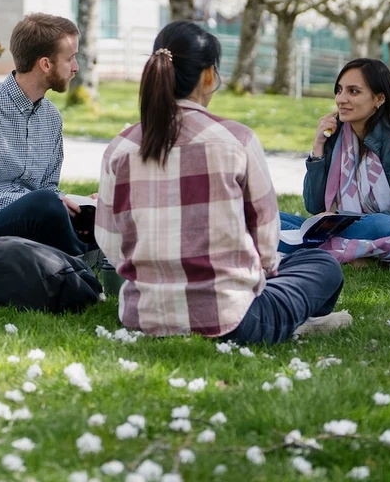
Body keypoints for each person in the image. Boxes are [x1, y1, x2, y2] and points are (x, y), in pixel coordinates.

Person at [96, 21, 350, 343]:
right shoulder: (236, 140)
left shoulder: (119, 148)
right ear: (207, 76)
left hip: (144, 317)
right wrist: (258, 273)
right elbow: (266, 244)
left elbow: (109, 241)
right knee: (322, 265)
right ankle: (295, 323)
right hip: (233, 320)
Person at [282, 59, 390, 270]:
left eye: (353, 91)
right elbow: (314, 206)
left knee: (381, 224)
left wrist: (339, 219)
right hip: (339, 230)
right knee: (270, 219)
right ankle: (347, 253)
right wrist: (318, 147)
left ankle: (300, 247)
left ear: (379, 99)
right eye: (339, 90)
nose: (341, 99)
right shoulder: (335, 137)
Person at [0, 13, 88, 256]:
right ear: (45, 64)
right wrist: (31, 202)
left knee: (94, 212)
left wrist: (77, 203)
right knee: (44, 203)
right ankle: (81, 261)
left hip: (35, 217)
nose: (76, 68)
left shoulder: (52, 117)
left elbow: (49, 188)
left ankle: (96, 255)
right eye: (70, 58)